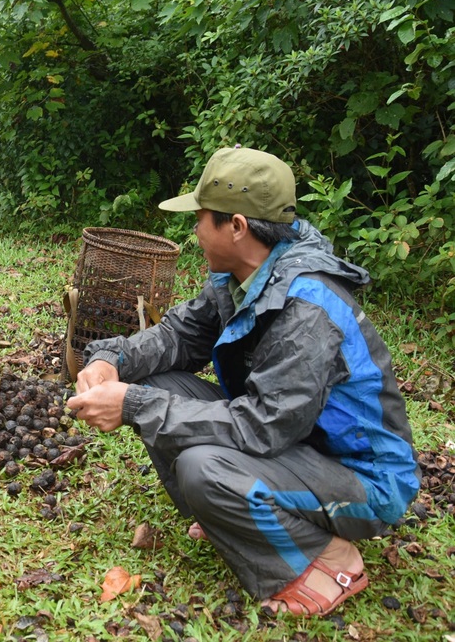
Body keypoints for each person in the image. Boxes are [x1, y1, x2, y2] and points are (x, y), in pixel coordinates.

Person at [67, 147, 419, 616]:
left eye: (201, 220)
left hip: (364, 480)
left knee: (203, 467)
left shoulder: (308, 309)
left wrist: (132, 404)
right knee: (161, 384)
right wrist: (113, 359)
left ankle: (329, 557)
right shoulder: (243, 277)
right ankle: (237, 518)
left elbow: (261, 427)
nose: (193, 232)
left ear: (236, 226)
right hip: (299, 449)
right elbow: (178, 336)